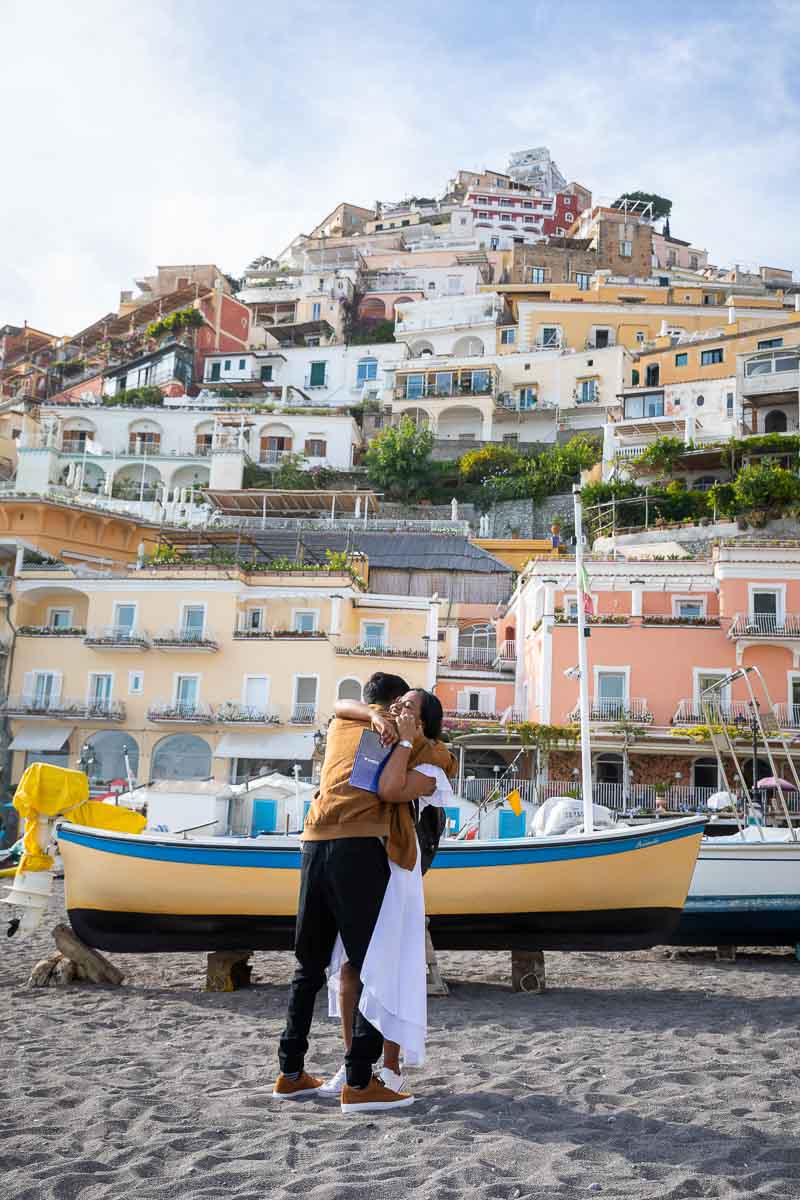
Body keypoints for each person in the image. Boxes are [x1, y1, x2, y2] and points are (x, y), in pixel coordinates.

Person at [272, 672, 439, 1114]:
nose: (404, 712)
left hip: (313, 840)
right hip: (357, 846)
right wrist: (420, 745)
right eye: (400, 704)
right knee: (372, 963)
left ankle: (290, 1074)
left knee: (308, 964)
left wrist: (369, 712)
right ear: (391, 705)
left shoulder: (342, 723)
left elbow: (340, 703)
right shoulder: (395, 729)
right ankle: (361, 1082)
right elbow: (437, 757)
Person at [321, 689, 456, 1096]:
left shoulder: (432, 764)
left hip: (396, 871)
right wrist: (382, 721)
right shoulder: (380, 734)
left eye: (408, 707)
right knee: (349, 967)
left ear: (425, 723)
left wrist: (405, 740)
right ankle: (352, 1064)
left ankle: (392, 1067)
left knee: (392, 968)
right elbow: (339, 705)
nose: (397, 709)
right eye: (396, 704)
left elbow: (390, 789)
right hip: (361, 865)